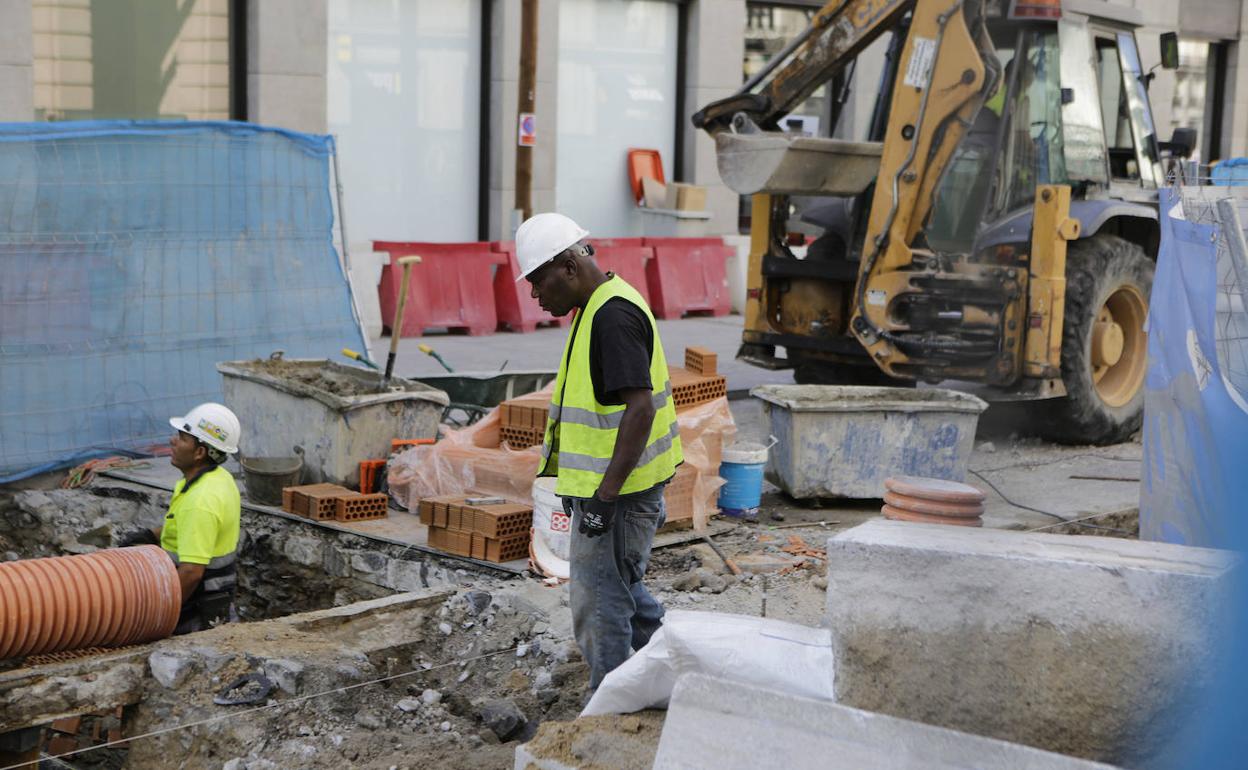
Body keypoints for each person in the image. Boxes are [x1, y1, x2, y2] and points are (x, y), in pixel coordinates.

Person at [517, 212, 683, 690]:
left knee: (600, 603)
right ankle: (682, 664)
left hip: (618, 497)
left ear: (568, 265)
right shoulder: (597, 307)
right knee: (620, 589)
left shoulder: (612, 316)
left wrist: (603, 500)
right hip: (611, 491)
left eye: (537, 281)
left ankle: (608, 705)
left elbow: (640, 410)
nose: (534, 295)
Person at [119, 402, 242, 634]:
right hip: (213, 599)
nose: (173, 441)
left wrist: (160, 617)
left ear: (199, 453)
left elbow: (191, 572)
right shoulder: (216, 478)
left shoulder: (201, 500)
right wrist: (150, 535)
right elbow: (186, 527)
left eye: (183, 438)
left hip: (195, 609)